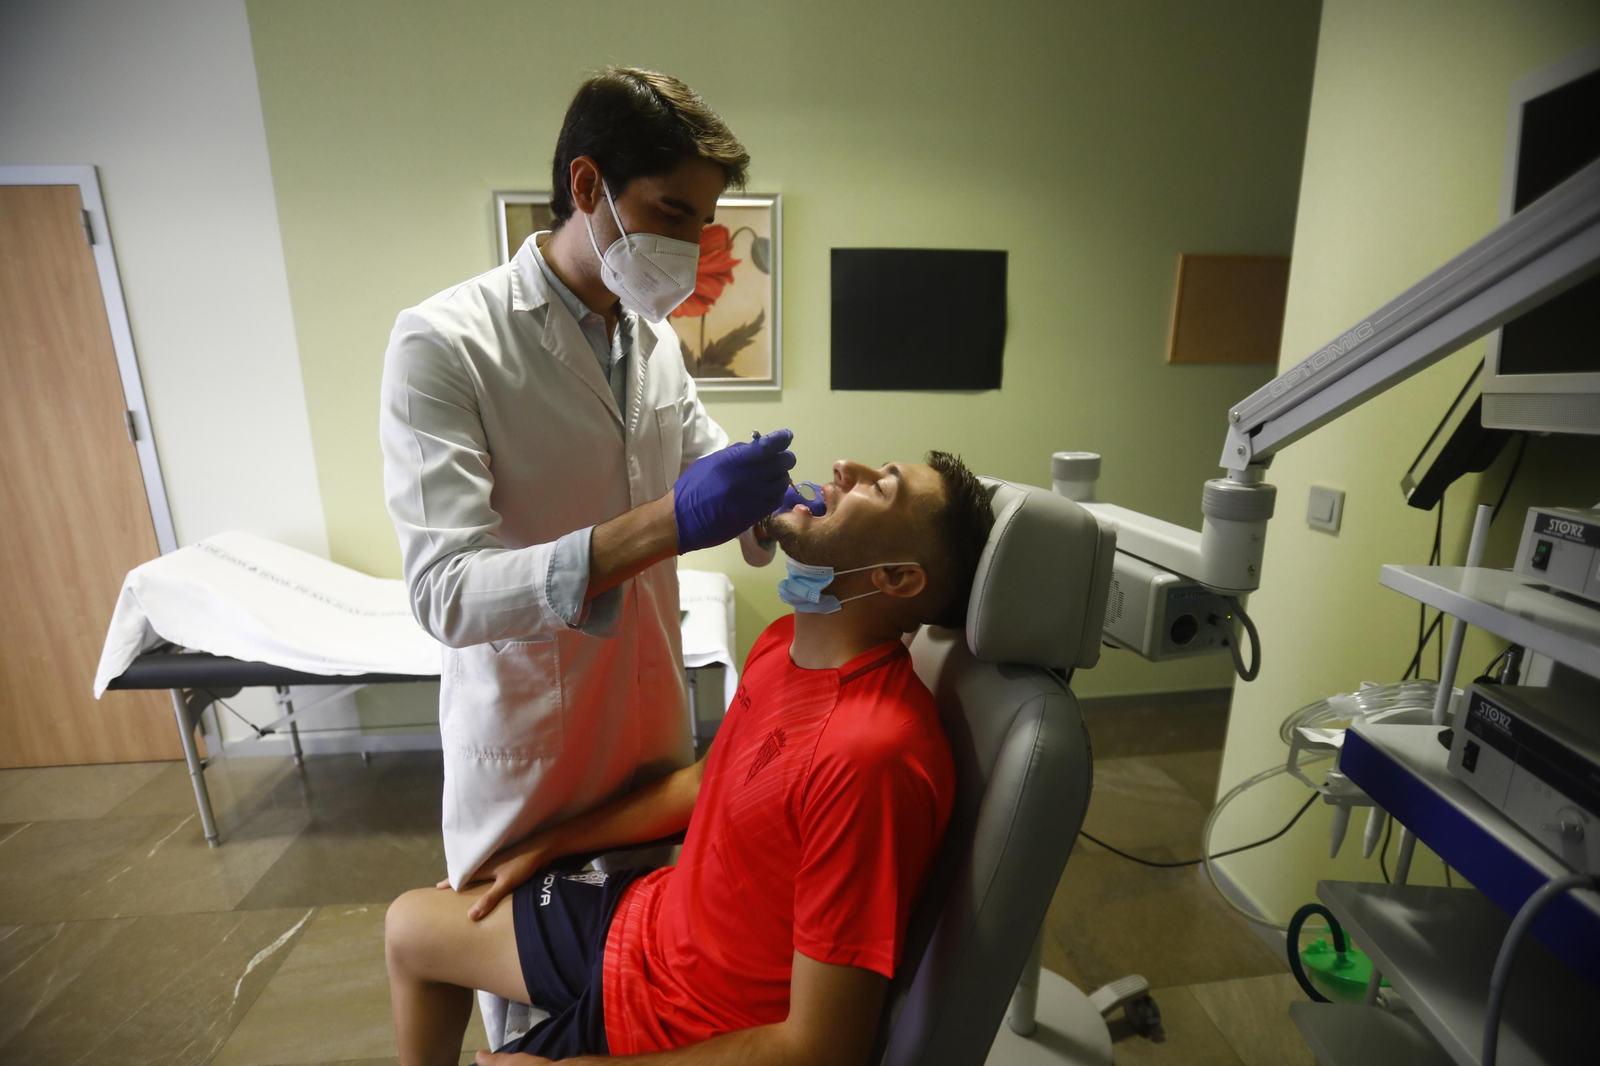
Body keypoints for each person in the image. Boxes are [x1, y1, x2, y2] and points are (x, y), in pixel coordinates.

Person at [385, 452, 997, 1065]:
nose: (844, 467)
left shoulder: (874, 756)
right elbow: (712, 782)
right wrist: (553, 843)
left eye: (879, 487)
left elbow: (821, 1048)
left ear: (896, 577)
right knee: (409, 927)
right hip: (651, 924)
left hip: (690, 1023)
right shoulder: (783, 644)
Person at [379, 69, 807, 907]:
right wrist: (664, 525)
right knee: (527, 1003)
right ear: (587, 186)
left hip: (650, 723)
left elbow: (702, 465)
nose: (689, 249)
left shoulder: (652, 344)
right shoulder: (443, 344)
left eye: (704, 224)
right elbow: (445, 593)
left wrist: (776, 507)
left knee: (644, 979)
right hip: (534, 743)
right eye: (671, 214)